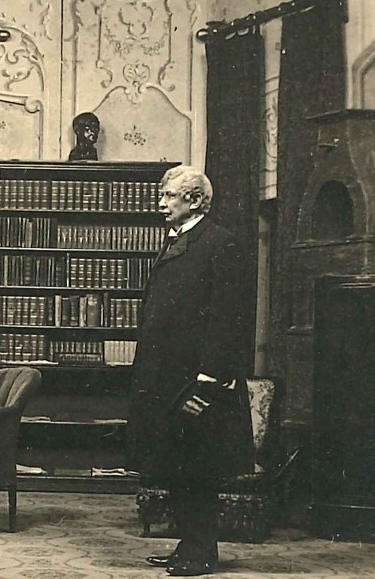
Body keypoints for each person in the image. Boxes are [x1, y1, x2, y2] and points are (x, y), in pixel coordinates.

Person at [128, 166, 254, 577]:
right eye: (162, 195)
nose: (161, 203)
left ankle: (201, 554)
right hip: (167, 379)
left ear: (195, 200)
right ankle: (189, 546)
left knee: (198, 469)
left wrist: (208, 380)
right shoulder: (178, 240)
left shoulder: (219, 243)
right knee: (178, 466)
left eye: (169, 196)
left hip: (197, 381)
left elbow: (227, 319)